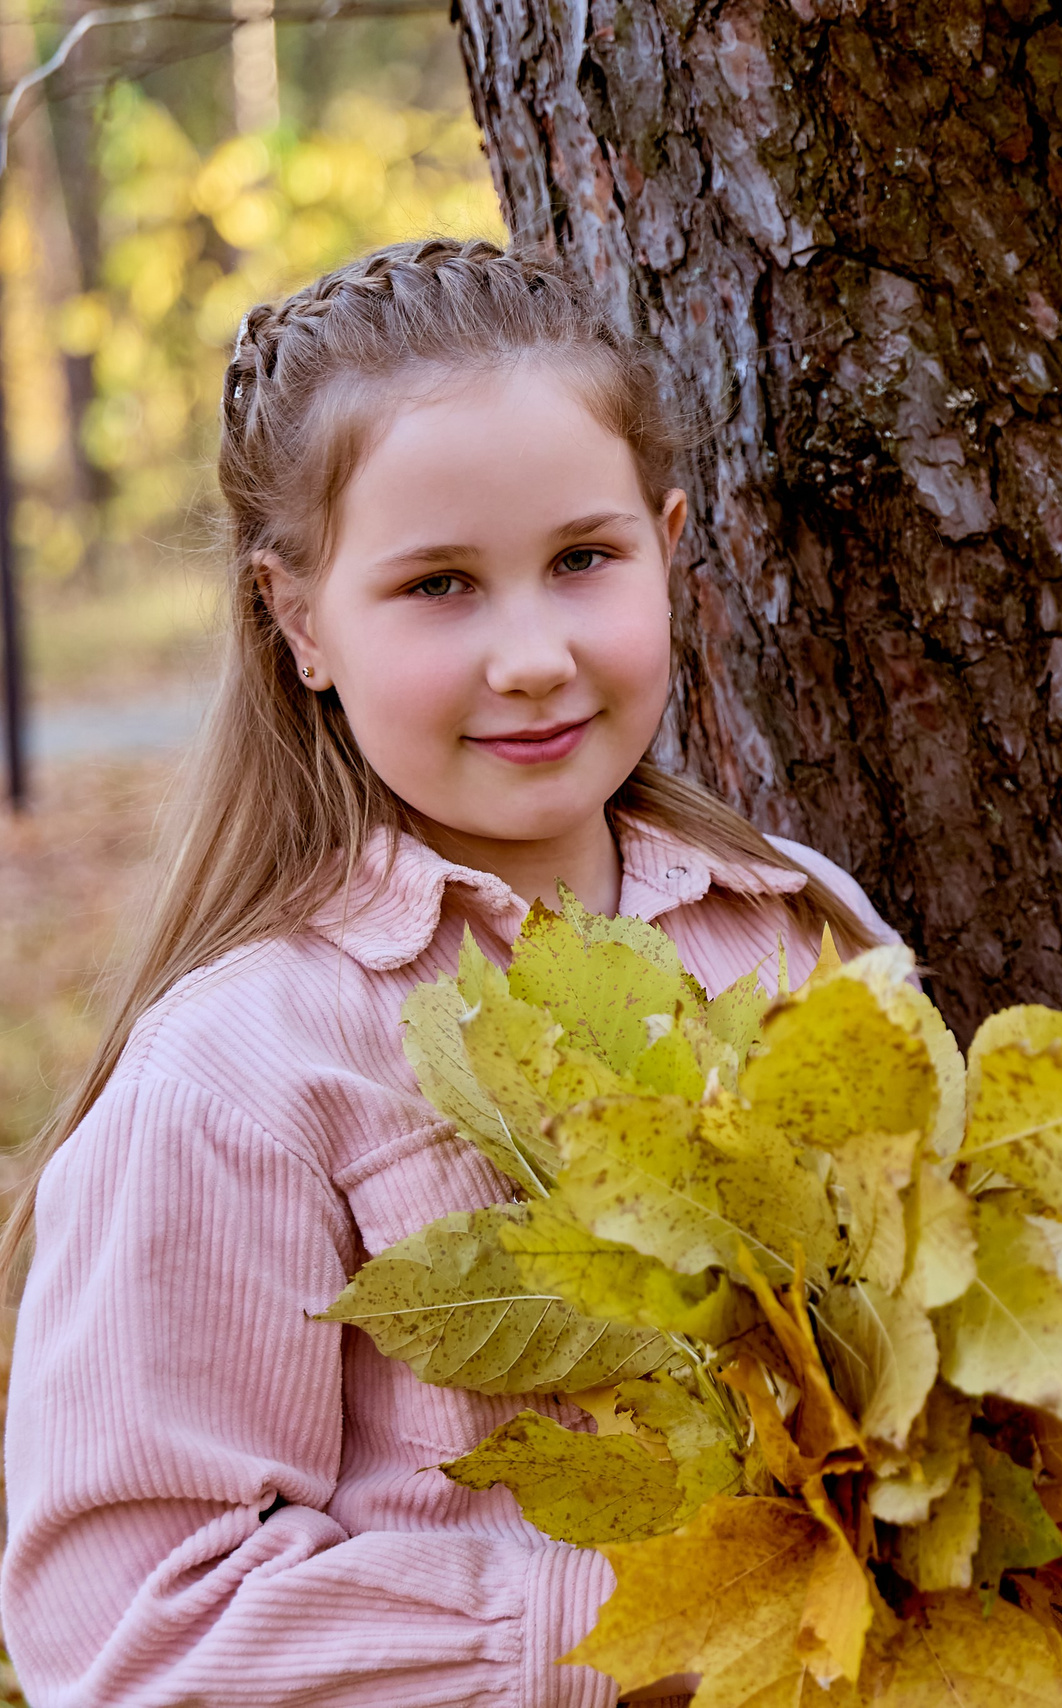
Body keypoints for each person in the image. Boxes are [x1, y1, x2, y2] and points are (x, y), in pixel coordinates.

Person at [0, 240, 896, 1708]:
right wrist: (623, 1625)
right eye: (439, 586)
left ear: (670, 543)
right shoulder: (251, 1070)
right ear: (299, 623)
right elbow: (128, 1634)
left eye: (583, 561)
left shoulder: (807, 931)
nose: (534, 653)